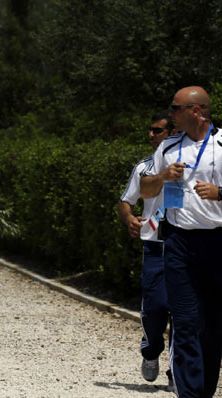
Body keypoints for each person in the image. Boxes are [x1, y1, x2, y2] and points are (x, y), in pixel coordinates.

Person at [140, 86, 222, 398]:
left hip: (217, 243)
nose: (171, 114)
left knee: (212, 326)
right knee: (185, 323)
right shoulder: (170, 147)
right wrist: (161, 177)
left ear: (197, 112)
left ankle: (203, 390)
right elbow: (145, 190)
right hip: (179, 243)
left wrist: (219, 193)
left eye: (176, 109)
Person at [117, 111, 175, 387]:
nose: (151, 135)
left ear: (172, 133)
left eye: (157, 130)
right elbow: (125, 201)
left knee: (184, 311)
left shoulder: (190, 165)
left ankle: (178, 371)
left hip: (184, 244)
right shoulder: (144, 168)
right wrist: (129, 217)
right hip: (154, 245)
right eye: (150, 130)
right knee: (156, 308)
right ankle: (151, 350)